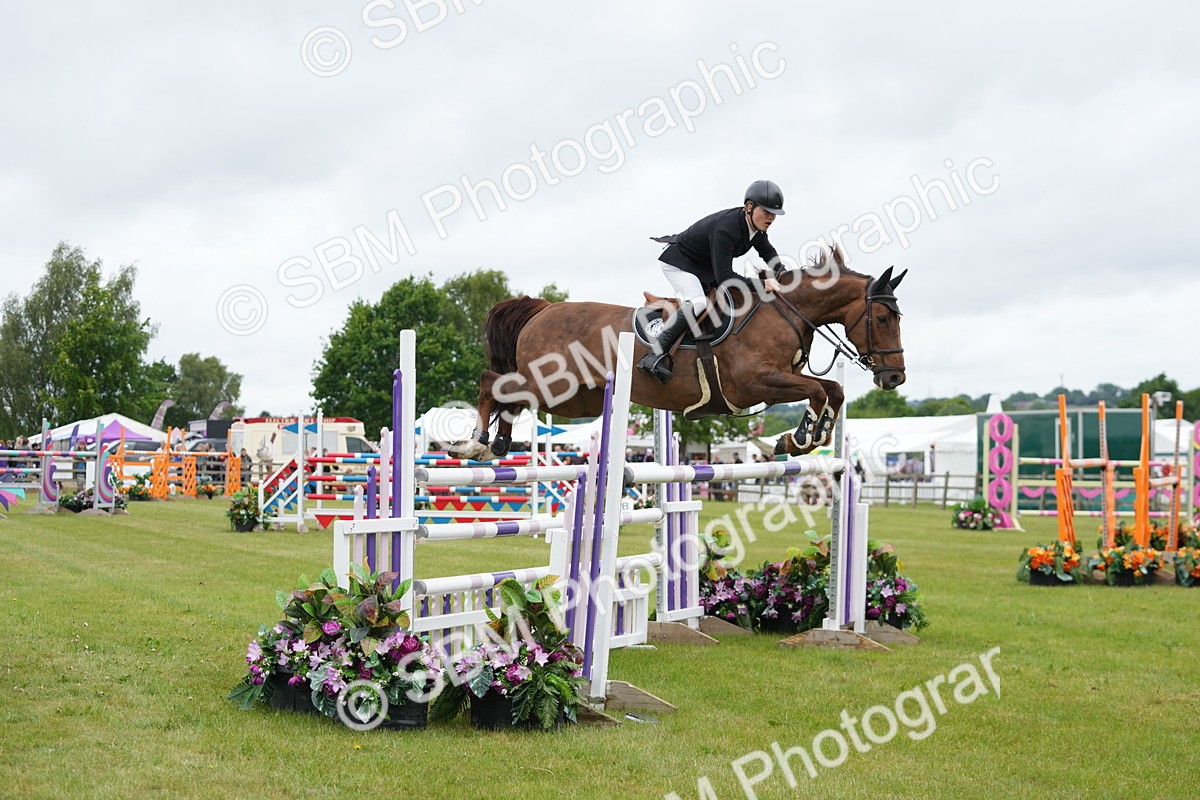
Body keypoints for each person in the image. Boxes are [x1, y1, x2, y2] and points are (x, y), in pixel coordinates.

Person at [638, 179, 790, 383]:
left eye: (775, 213)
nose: (771, 217)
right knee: (699, 303)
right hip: (680, 262)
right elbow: (726, 278)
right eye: (767, 211)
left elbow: (768, 252)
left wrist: (784, 273)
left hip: (703, 265)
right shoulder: (726, 230)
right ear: (749, 207)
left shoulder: (756, 230)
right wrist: (762, 285)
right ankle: (655, 354)